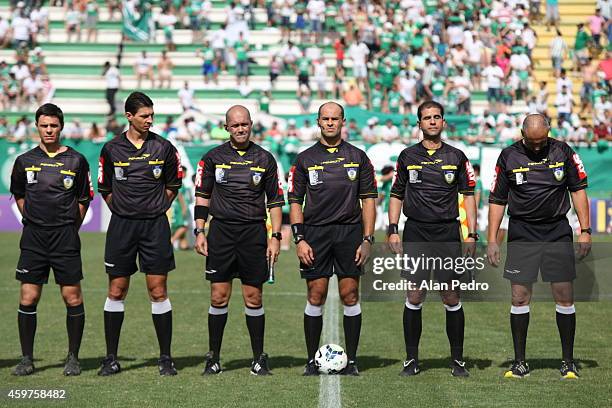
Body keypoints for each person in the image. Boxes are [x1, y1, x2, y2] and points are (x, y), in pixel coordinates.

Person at [487, 113, 591, 379]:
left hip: (556, 231)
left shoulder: (564, 151)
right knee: (519, 296)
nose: (536, 146)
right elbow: (498, 200)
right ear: (522, 134)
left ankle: (568, 362)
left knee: (564, 295)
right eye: (531, 142)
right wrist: (491, 240)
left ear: (549, 132)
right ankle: (520, 362)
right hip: (522, 231)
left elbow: (577, 190)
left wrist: (585, 230)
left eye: (541, 141)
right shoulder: (508, 156)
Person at [387, 100, 478, 377]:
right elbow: (396, 195)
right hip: (416, 232)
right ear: (419, 123)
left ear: (443, 121)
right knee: (415, 294)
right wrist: (393, 229)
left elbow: (469, 197)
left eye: (437, 117)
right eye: (427, 118)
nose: (432, 121)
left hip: (447, 233)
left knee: (451, 296)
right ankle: (411, 359)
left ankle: (458, 360)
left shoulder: (457, 156)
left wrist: (471, 233)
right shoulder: (406, 156)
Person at [194, 105, 285, 376]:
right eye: (235, 125)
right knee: (219, 296)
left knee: (253, 297)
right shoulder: (212, 158)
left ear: (251, 124)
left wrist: (276, 237)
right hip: (221, 233)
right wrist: (200, 230)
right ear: (226, 128)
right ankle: (214, 357)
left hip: (253, 234)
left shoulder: (265, 158)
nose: (240, 129)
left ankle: (259, 357)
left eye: (244, 124)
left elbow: (276, 201)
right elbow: (203, 195)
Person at [288, 102, 378, 376]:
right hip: (315, 234)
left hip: (349, 233)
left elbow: (369, 200)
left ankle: (351, 361)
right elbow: (294, 201)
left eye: (334, 119)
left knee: (350, 295)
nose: (330, 123)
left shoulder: (358, 156)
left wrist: (368, 239)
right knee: (316, 295)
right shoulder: (304, 159)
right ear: (318, 122)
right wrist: (299, 239)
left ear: (343, 122)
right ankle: (310, 360)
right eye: (325, 119)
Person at [97, 92, 183, 376]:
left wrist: (155, 207)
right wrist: (123, 209)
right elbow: (105, 189)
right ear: (129, 116)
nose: (150, 120)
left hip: (154, 226)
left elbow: (173, 185)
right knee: (116, 290)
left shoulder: (164, 147)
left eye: (151, 115)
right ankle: (111, 358)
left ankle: (166, 358)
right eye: (144, 116)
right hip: (122, 227)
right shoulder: (111, 149)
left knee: (158, 290)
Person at [10, 103, 93, 376]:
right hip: (33, 237)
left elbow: (83, 199)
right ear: (37, 126)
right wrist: (33, 220)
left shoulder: (77, 160)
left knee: (72, 297)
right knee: (28, 296)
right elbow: (20, 195)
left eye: (54, 125)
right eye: (44, 125)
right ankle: (26, 359)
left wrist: (70, 227)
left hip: (65, 237)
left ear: (61, 127)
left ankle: (73, 357)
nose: (49, 130)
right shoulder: (24, 161)